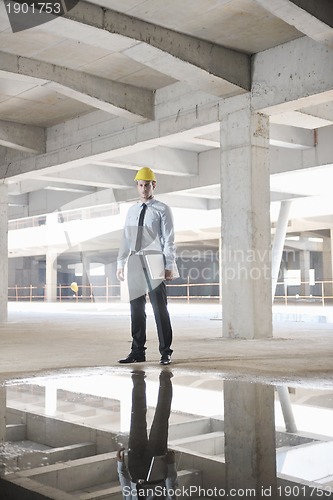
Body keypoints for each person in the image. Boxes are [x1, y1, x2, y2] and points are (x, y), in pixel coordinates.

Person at [116, 167, 177, 365]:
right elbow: (126, 238)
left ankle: (166, 351)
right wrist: (121, 262)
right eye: (141, 185)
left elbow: (169, 240)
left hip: (154, 260)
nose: (144, 189)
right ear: (137, 186)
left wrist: (169, 265)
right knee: (136, 309)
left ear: (154, 185)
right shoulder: (132, 211)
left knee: (160, 308)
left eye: (147, 185)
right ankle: (137, 351)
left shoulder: (162, 209)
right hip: (134, 261)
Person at [117, 370, 177, 500]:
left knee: (136, 420)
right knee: (160, 421)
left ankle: (138, 380)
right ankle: (165, 380)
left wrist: (120, 465)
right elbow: (171, 491)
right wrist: (171, 466)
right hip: (155, 472)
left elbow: (126, 489)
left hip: (135, 469)